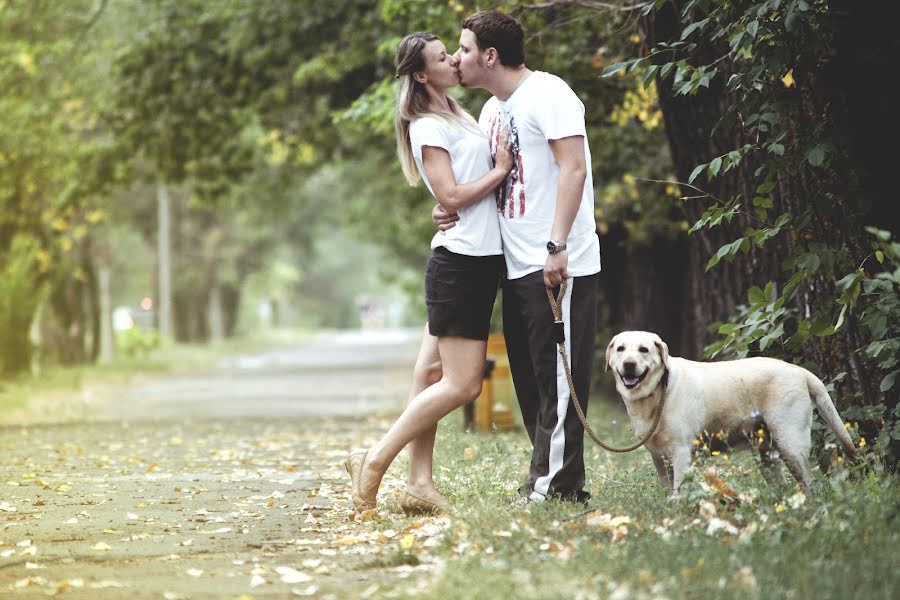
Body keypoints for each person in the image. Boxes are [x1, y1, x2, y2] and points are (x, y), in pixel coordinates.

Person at [435, 10, 601, 503]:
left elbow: (573, 170)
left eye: (463, 49)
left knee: (559, 380)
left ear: (490, 55)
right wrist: (449, 209)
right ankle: (545, 477)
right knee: (531, 381)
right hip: (514, 265)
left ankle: (557, 486)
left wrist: (557, 246)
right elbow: (492, 184)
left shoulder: (549, 94)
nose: (457, 58)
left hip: (557, 263)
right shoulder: (490, 112)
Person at [346, 32, 513, 514]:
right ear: (423, 74)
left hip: (470, 260)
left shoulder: (458, 113)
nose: (455, 60)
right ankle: (374, 462)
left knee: (431, 372)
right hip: (461, 265)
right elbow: (452, 196)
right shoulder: (425, 125)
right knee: (464, 385)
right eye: (444, 57)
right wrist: (499, 171)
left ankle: (419, 483)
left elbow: (454, 197)